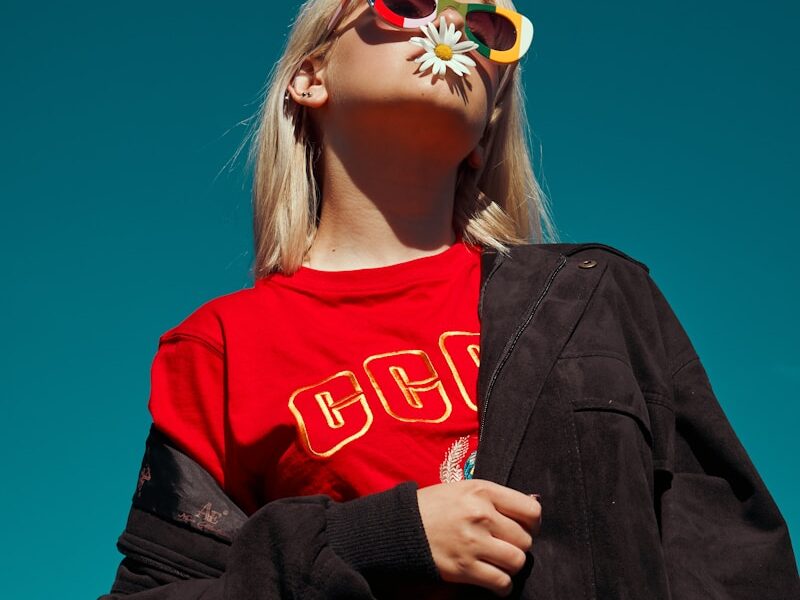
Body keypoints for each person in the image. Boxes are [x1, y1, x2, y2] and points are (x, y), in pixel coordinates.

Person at [100, 0, 800, 598]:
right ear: (311, 77)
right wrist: (377, 538)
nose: (454, 30)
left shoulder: (595, 300)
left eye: (491, 25)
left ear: (492, 114)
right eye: (406, 1)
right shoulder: (220, 345)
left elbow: (735, 564)